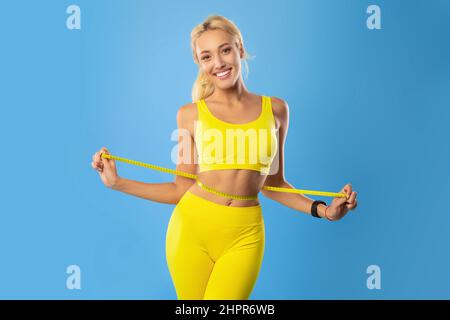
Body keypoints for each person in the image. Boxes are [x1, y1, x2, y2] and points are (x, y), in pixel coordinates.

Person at [91, 15, 358, 300]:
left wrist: (324, 211)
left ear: (240, 49)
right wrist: (117, 183)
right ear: (199, 64)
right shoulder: (189, 115)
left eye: (225, 50)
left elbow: (274, 184)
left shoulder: (277, 111)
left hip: (245, 235)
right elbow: (180, 189)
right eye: (206, 56)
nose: (218, 63)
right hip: (192, 229)